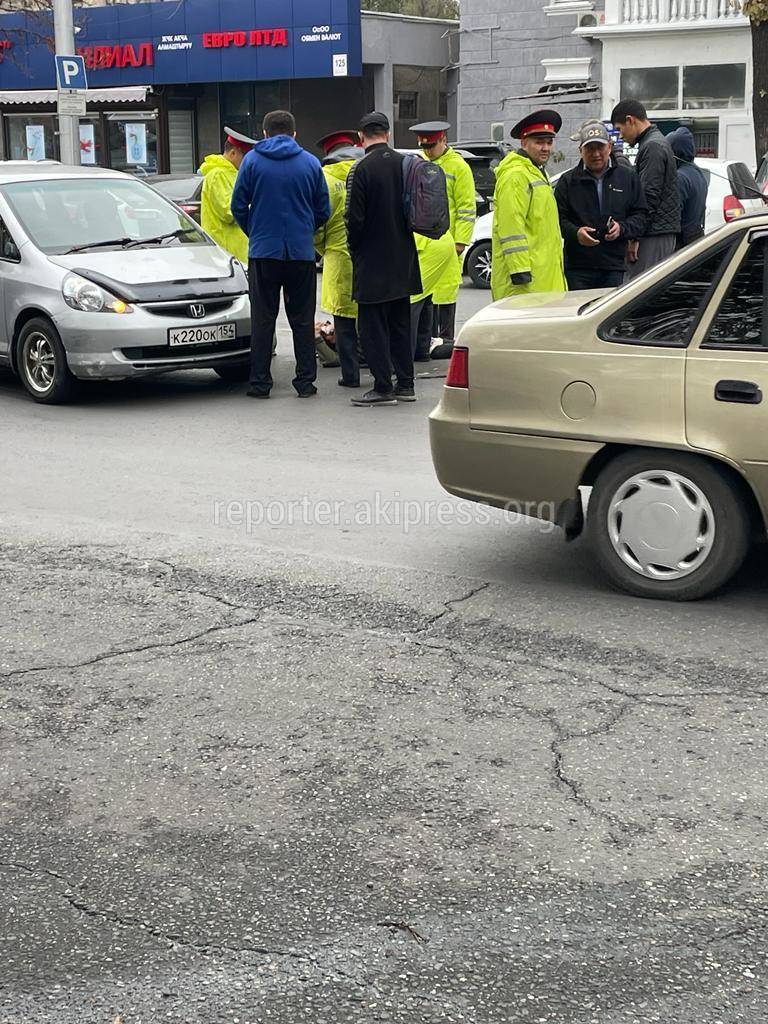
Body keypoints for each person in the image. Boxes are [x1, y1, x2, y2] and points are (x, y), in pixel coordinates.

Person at [231, 109, 330, 399]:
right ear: (294, 133)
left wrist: (257, 231)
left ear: (264, 133)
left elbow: (238, 206)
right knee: (302, 318)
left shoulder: (251, 161)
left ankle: (260, 383)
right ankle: (305, 383)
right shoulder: (311, 163)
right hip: (300, 253)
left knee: (263, 318)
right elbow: (323, 208)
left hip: (264, 252)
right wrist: (305, 230)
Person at [345, 111, 422, 407]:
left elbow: (354, 219)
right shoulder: (407, 164)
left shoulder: (360, 169)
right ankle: (406, 384)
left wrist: (355, 249)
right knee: (400, 324)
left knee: (373, 327)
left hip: (372, 260)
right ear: (388, 134)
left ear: (361, 137)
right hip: (404, 257)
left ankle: (382, 387)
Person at [554, 121, 648, 290]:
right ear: (580, 151)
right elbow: (558, 219)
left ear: (610, 147)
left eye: (600, 147)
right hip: (578, 268)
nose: (596, 154)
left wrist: (622, 228)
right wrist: (576, 233)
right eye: (590, 148)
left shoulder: (628, 177)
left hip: (614, 267)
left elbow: (641, 216)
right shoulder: (568, 182)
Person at [408, 121, 476, 351]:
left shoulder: (458, 167)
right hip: (423, 245)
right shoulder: (419, 163)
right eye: (424, 146)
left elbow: (467, 208)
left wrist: (460, 243)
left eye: (432, 145)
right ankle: (426, 345)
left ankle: (445, 347)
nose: (428, 150)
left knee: (444, 298)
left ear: (444, 140)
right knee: (425, 299)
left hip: (448, 243)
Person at [490, 108, 567, 300]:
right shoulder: (516, 175)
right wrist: (519, 270)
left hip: (542, 275)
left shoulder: (535, 171)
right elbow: (511, 226)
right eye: (539, 142)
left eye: (549, 142)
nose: (546, 148)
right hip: (526, 282)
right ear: (524, 142)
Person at [314, 130, 363, 388]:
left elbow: (318, 223)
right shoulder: (365, 173)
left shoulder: (326, 179)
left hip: (338, 257)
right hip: (367, 256)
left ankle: (350, 375)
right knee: (370, 318)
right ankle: (380, 368)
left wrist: (324, 250)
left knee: (343, 322)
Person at [611, 99, 680, 279]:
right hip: (657, 231)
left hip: (653, 234)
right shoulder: (654, 142)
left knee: (638, 291)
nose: (620, 137)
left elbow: (648, 197)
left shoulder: (652, 147)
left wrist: (634, 237)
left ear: (630, 120)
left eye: (619, 129)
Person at [199, 127, 256, 264]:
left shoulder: (233, 173)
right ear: (233, 153)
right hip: (226, 252)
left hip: (237, 251)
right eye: (246, 157)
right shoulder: (217, 175)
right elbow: (229, 211)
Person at [411, 232, 462, 361]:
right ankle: (422, 349)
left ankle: (403, 357)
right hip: (437, 239)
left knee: (410, 300)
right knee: (422, 296)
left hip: (424, 242)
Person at [667, 126, 707, 248]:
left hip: (682, 241)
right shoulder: (698, 173)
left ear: (674, 153)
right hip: (697, 235)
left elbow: (673, 216)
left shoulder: (680, 177)